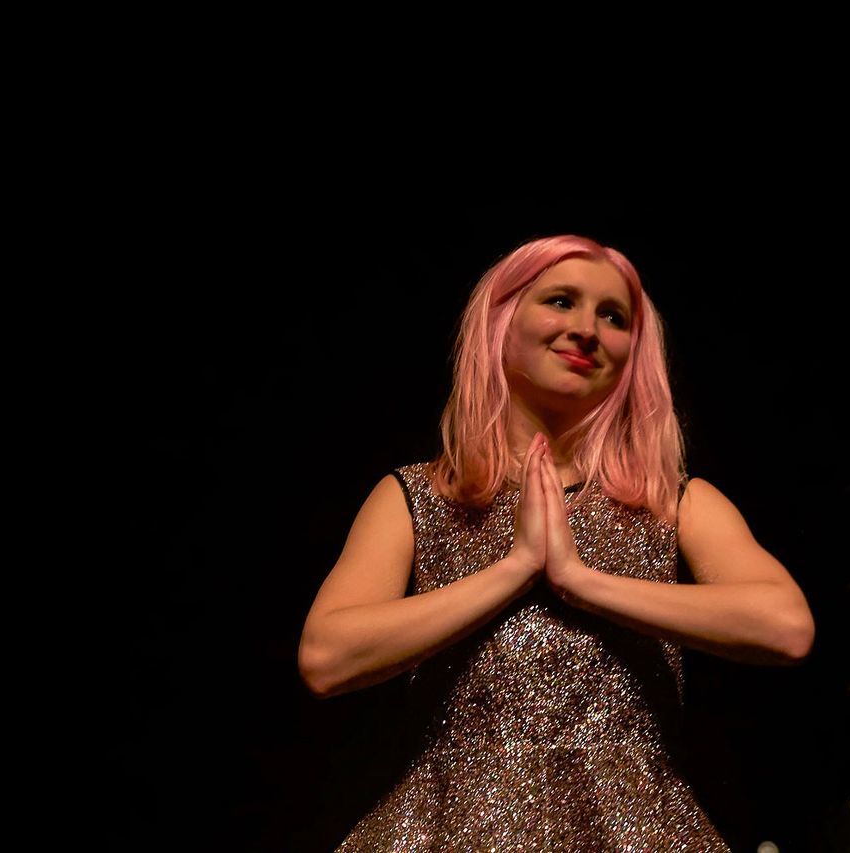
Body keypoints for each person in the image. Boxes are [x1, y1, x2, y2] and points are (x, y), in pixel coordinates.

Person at [298, 234, 815, 851]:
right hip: (449, 833)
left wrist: (579, 581)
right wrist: (516, 568)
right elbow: (327, 658)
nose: (587, 330)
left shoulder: (670, 502)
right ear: (502, 321)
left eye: (613, 316)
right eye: (561, 301)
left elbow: (785, 627)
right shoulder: (417, 498)